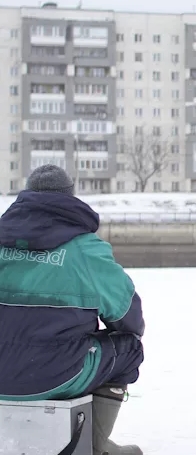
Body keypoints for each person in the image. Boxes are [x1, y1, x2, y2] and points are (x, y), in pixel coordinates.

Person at [0, 165, 145, 455]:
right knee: (128, 349)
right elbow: (128, 316)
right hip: (56, 375)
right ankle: (95, 445)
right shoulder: (84, 249)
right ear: (70, 198)